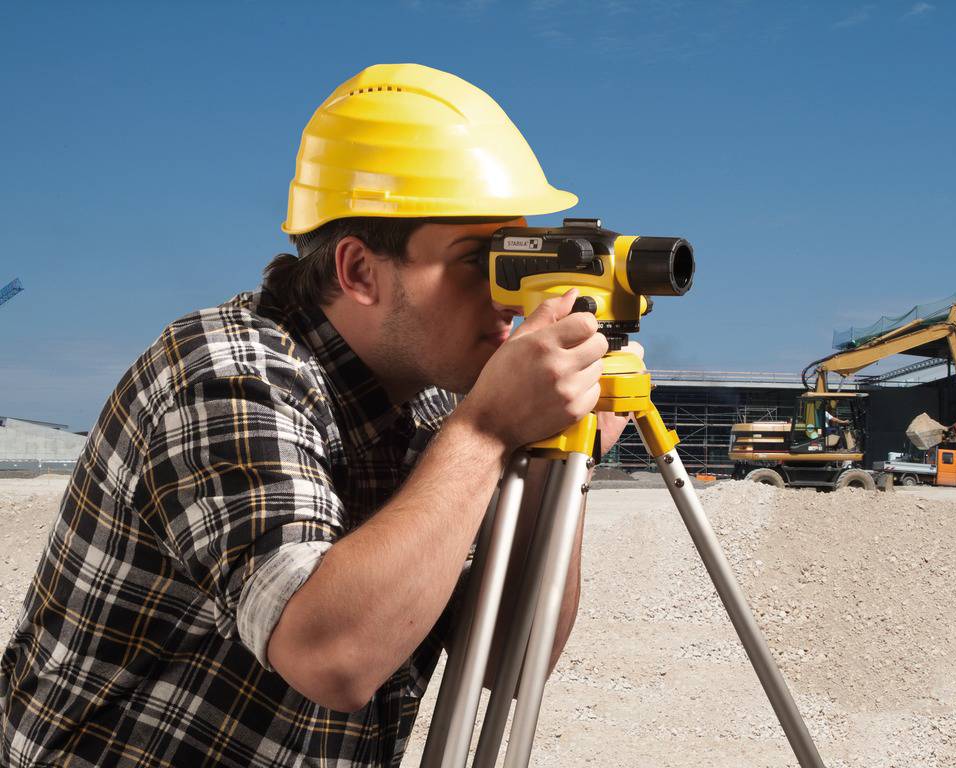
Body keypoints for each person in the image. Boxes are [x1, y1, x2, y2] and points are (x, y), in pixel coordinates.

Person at [0, 64, 634, 766]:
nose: (509, 296)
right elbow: (332, 656)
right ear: (359, 271)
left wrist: (555, 460)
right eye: (476, 259)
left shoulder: (427, 399)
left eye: (513, 258)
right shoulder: (224, 371)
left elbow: (508, 662)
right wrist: (486, 431)